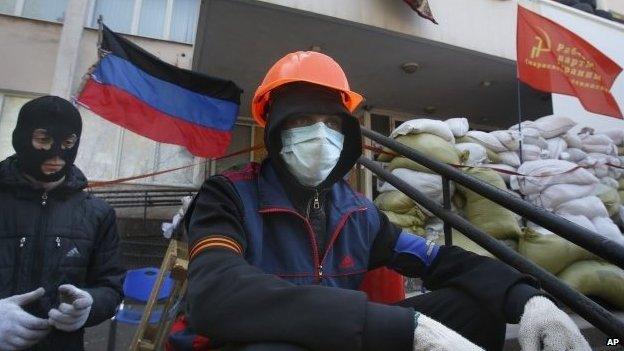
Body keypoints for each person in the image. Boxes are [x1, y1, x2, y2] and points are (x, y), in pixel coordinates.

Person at [184, 52, 590, 351]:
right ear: (274, 131)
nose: (320, 136)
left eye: (330, 124)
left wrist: (527, 298)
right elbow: (214, 292)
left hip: (338, 339)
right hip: (249, 343)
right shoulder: (228, 196)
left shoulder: (359, 214)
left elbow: (442, 261)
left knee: (474, 309)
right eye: (302, 122)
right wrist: (400, 327)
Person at [0, 96, 125, 351]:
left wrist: (89, 305)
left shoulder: (97, 214)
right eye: (43, 140)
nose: (57, 154)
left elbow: (110, 286)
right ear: (22, 137)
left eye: (68, 143)